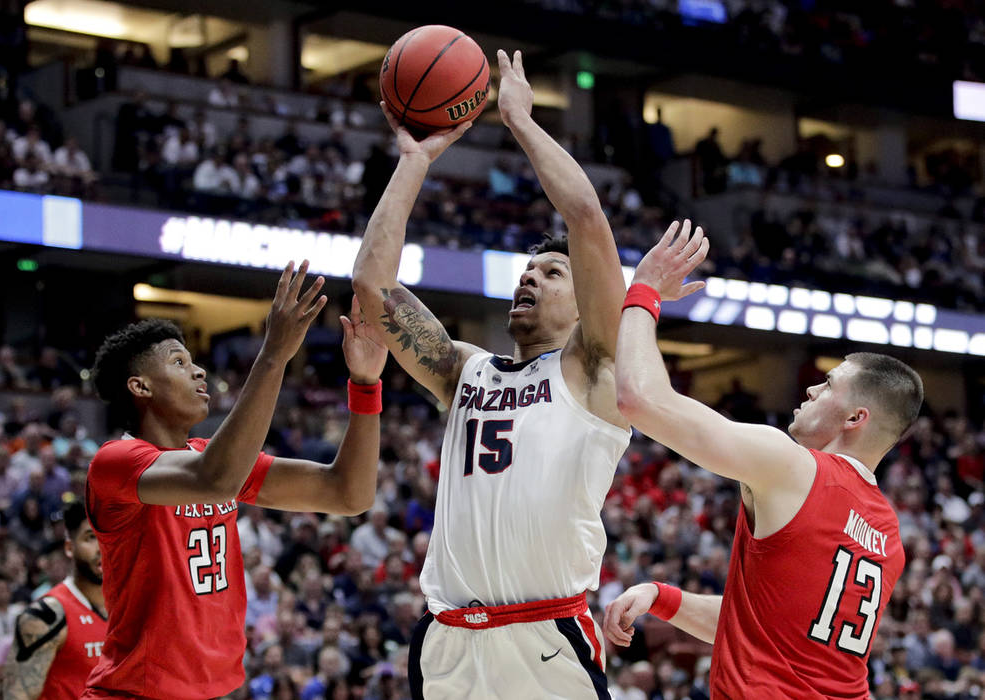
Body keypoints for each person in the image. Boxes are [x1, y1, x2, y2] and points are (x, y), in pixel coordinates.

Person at [353, 51, 630, 699]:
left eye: (551, 273)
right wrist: (414, 163)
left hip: (542, 640)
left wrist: (519, 121)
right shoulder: (466, 370)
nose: (530, 275)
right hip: (448, 641)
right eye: (528, 272)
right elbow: (372, 287)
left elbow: (587, 219)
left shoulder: (596, 371)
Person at [604, 220, 922, 697]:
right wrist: (663, 597)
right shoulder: (887, 533)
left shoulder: (793, 467)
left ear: (856, 417)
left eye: (828, 384)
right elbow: (765, 631)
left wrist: (645, 290)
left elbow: (638, 399)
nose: (811, 389)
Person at [80, 263, 387, 699]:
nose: (199, 371)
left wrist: (365, 383)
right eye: (179, 362)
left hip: (217, 691)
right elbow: (217, 479)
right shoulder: (116, 463)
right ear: (140, 387)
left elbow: (348, 493)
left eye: (194, 361)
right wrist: (274, 354)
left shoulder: (211, 457)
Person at [3, 502, 107, 699]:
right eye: (91, 538)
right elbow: (16, 695)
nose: (102, 547)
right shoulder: (45, 615)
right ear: (69, 547)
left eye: (108, 536)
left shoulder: (131, 608)